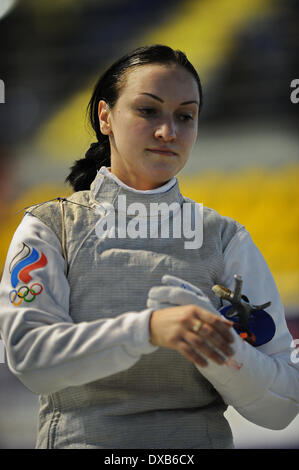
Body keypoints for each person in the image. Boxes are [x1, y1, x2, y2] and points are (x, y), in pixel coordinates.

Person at [0, 44, 298, 450]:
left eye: (185, 116)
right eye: (148, 110)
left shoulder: (226, 238)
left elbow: (280, 409)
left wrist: (222, 351)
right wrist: (148, 329)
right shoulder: (51, 227)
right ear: (106, 117)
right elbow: (31, 357)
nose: (168, 132)